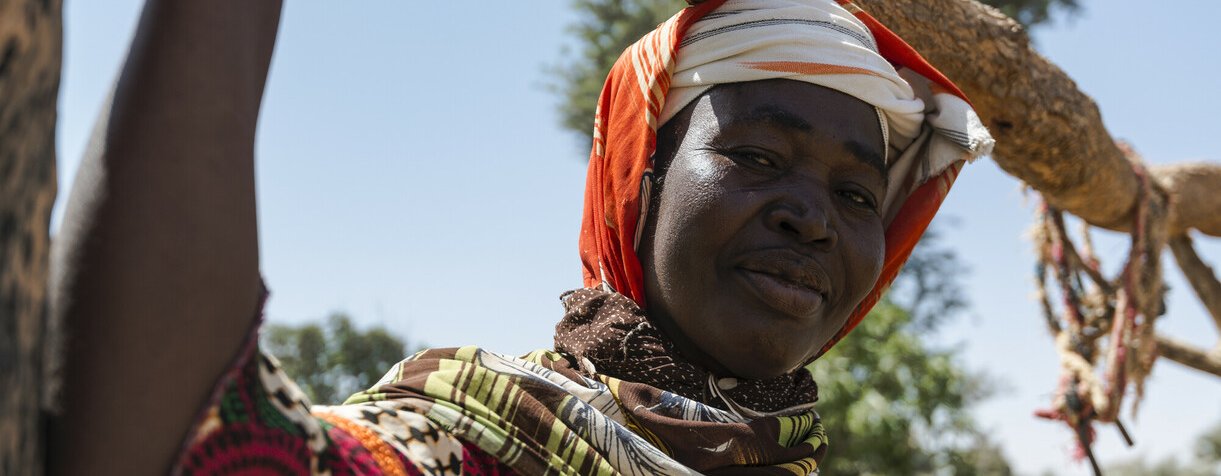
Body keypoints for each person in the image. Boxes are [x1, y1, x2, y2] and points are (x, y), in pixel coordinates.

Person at [46, 0, 992, 474]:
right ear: (639, 182)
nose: (811, 215)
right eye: (754, 156)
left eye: (858, 194)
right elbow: (166, 435)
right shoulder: (479, 438)